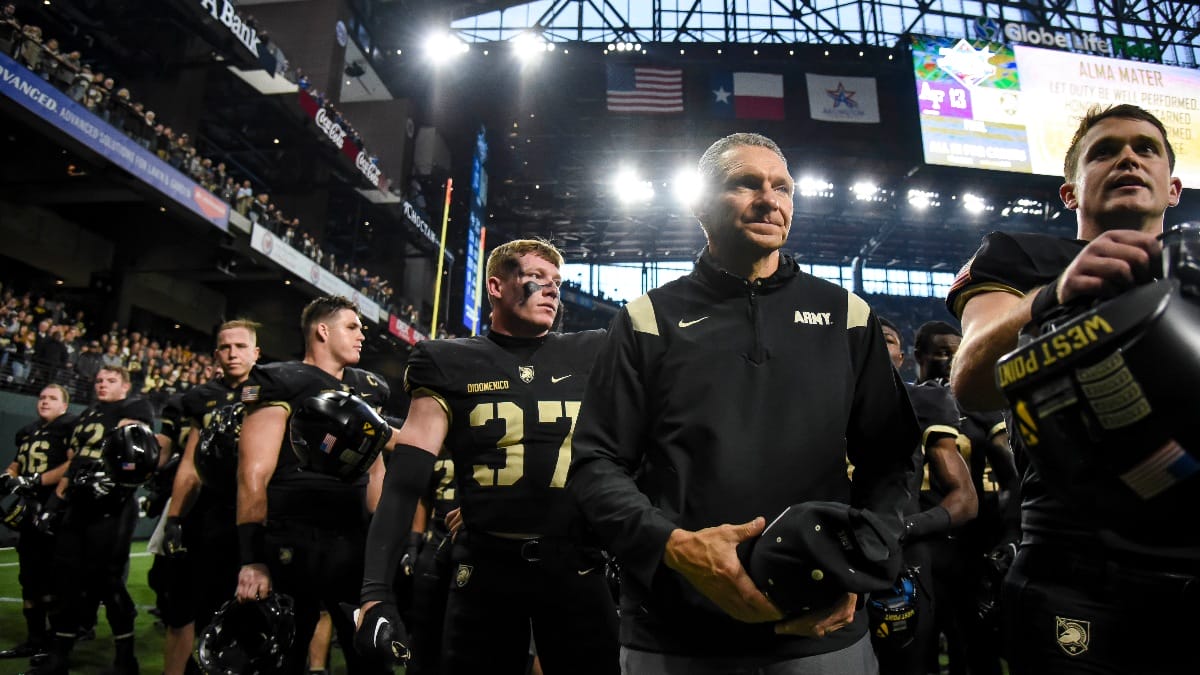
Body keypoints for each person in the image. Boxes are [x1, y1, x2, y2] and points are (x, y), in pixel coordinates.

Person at [565, 132, 919, 673]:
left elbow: (892, 456)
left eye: (782, 187)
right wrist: (674, 545)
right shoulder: (646, 320)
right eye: (744, 184)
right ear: (697, 202)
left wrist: (870, 557)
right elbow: (596, 463)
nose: (769, 200)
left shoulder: (847, 316)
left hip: (820, 629)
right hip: (675, 630)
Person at [948, 103, 1193, 673]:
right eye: (1104, 151)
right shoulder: (1022, 256)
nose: (1128, 157)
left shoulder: (1193, 268)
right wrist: (1053, 295)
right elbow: (971, 384)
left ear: (1173, 188)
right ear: (1070, 193)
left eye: (1145, 148)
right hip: (1078, 559)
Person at [358, 239, 619, 675]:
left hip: (576, 563)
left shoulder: (595, 350)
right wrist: (374, 592)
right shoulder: (447, 361)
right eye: (536, 278)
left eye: (558, 282)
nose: (553, 290)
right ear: (496, 286)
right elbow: (405, 482)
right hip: (487, 569)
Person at [236, 297, 393, 674]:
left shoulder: (369, 388)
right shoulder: (279, 381)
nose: (361, 336)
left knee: (372, 655)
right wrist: (252, 557)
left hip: (352, 539)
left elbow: (377, 469)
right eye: (352, 327)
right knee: (281, 654)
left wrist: (384, 541)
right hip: (293, 535)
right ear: (323, 330)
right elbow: (252, 472)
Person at [30, 366, 156, 675]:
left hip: (112, 505)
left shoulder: (135, 407)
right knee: (66, 578)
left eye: (111, 380)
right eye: (99, 379)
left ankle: (125, 657)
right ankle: (60, 653)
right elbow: (75, 464)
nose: (102, 384)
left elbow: (135, 453)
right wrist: (53, 503)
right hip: (78, 504)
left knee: (108, 581)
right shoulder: (86, 416)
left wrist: (112, 480)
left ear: (125, 386)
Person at [155, 320, 261, 675]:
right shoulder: (199, 399)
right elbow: (190, 464)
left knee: (254, 615)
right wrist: (174, 518)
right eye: (226, 347)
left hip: (258, 515)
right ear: (216, 353)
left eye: (241, 346)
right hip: (210, 515)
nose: (233, 353)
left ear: (256, 353)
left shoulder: (272, 391)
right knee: (192, 606)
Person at [874, 319, 978, 674]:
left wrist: (900, 528)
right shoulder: (819, 402)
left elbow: (964, 499)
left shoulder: (926, 400)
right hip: (840, 556)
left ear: (903, 356)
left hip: (906, 556)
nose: (875, 342)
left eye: (887, 338)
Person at [0, 385, 77, 660]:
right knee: (29, 579)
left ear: (65, 406)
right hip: (29, 511)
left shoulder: (70, 427)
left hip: (56, 510)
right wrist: (8, 475)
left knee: (55, 578)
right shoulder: (28, 430)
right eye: (42, 397)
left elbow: (74, 463)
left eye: (52, 398)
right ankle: (35, 639)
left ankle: (58, 642)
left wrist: (36, 481)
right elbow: (17, 463)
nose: (45, 401)